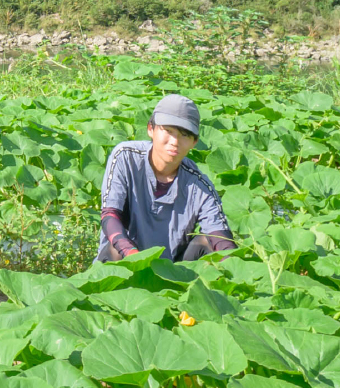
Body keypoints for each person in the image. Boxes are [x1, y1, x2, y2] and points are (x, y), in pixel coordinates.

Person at [98, 95, 236, 263]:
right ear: (151, 129)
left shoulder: (200, 186)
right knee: (115, 249)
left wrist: (233, 264)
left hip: (170, 272)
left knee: (208, 243)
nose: (175, 141)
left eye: (184, 135)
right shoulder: (125, 157)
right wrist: (132, 253)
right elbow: (109, 215)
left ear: (194, 142)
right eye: (168, 131)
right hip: (126, 261)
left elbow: (220, 237)